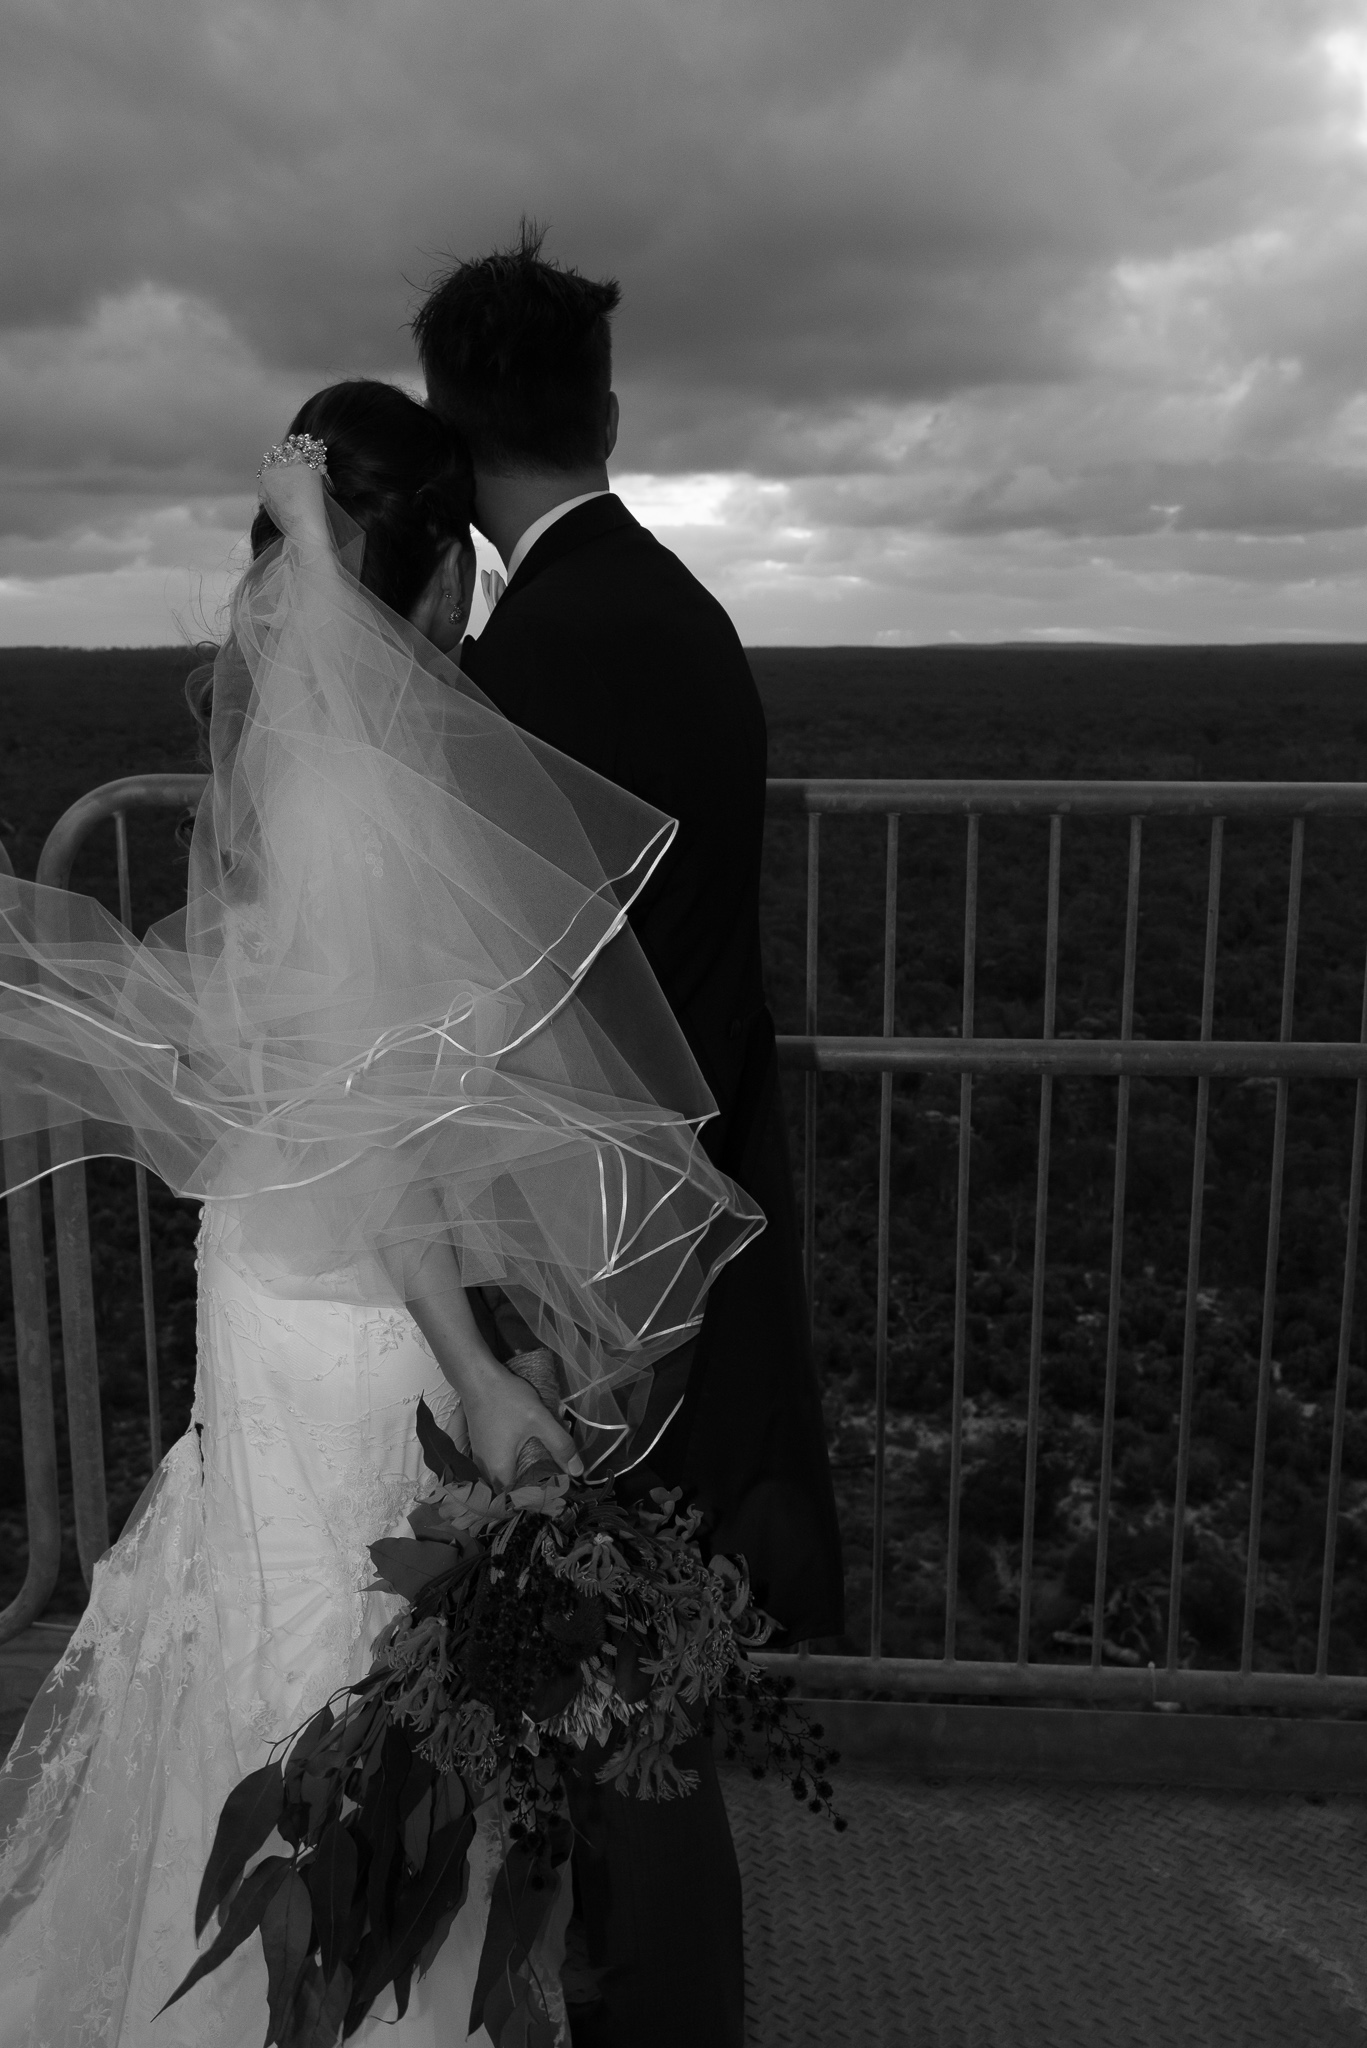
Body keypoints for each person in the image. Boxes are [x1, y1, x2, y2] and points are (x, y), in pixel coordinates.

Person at [0, 383, 760, 2046]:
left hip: (267, 1280)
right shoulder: (369, 802)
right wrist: (482, 1371)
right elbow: (388, 1139)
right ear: (437, 586)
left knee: (277, 1671)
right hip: (357, 1310)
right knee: (342, 1705)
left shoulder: (275, 771)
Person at [413, 225, 844, 2048]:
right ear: (607, 407)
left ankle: (657, 2015)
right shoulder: (680, 609)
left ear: (454, 432)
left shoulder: (526, 666)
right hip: (697, 1188)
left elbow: (508, 994)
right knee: (636, 1658)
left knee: (610, 1682)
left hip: (590, 1239)